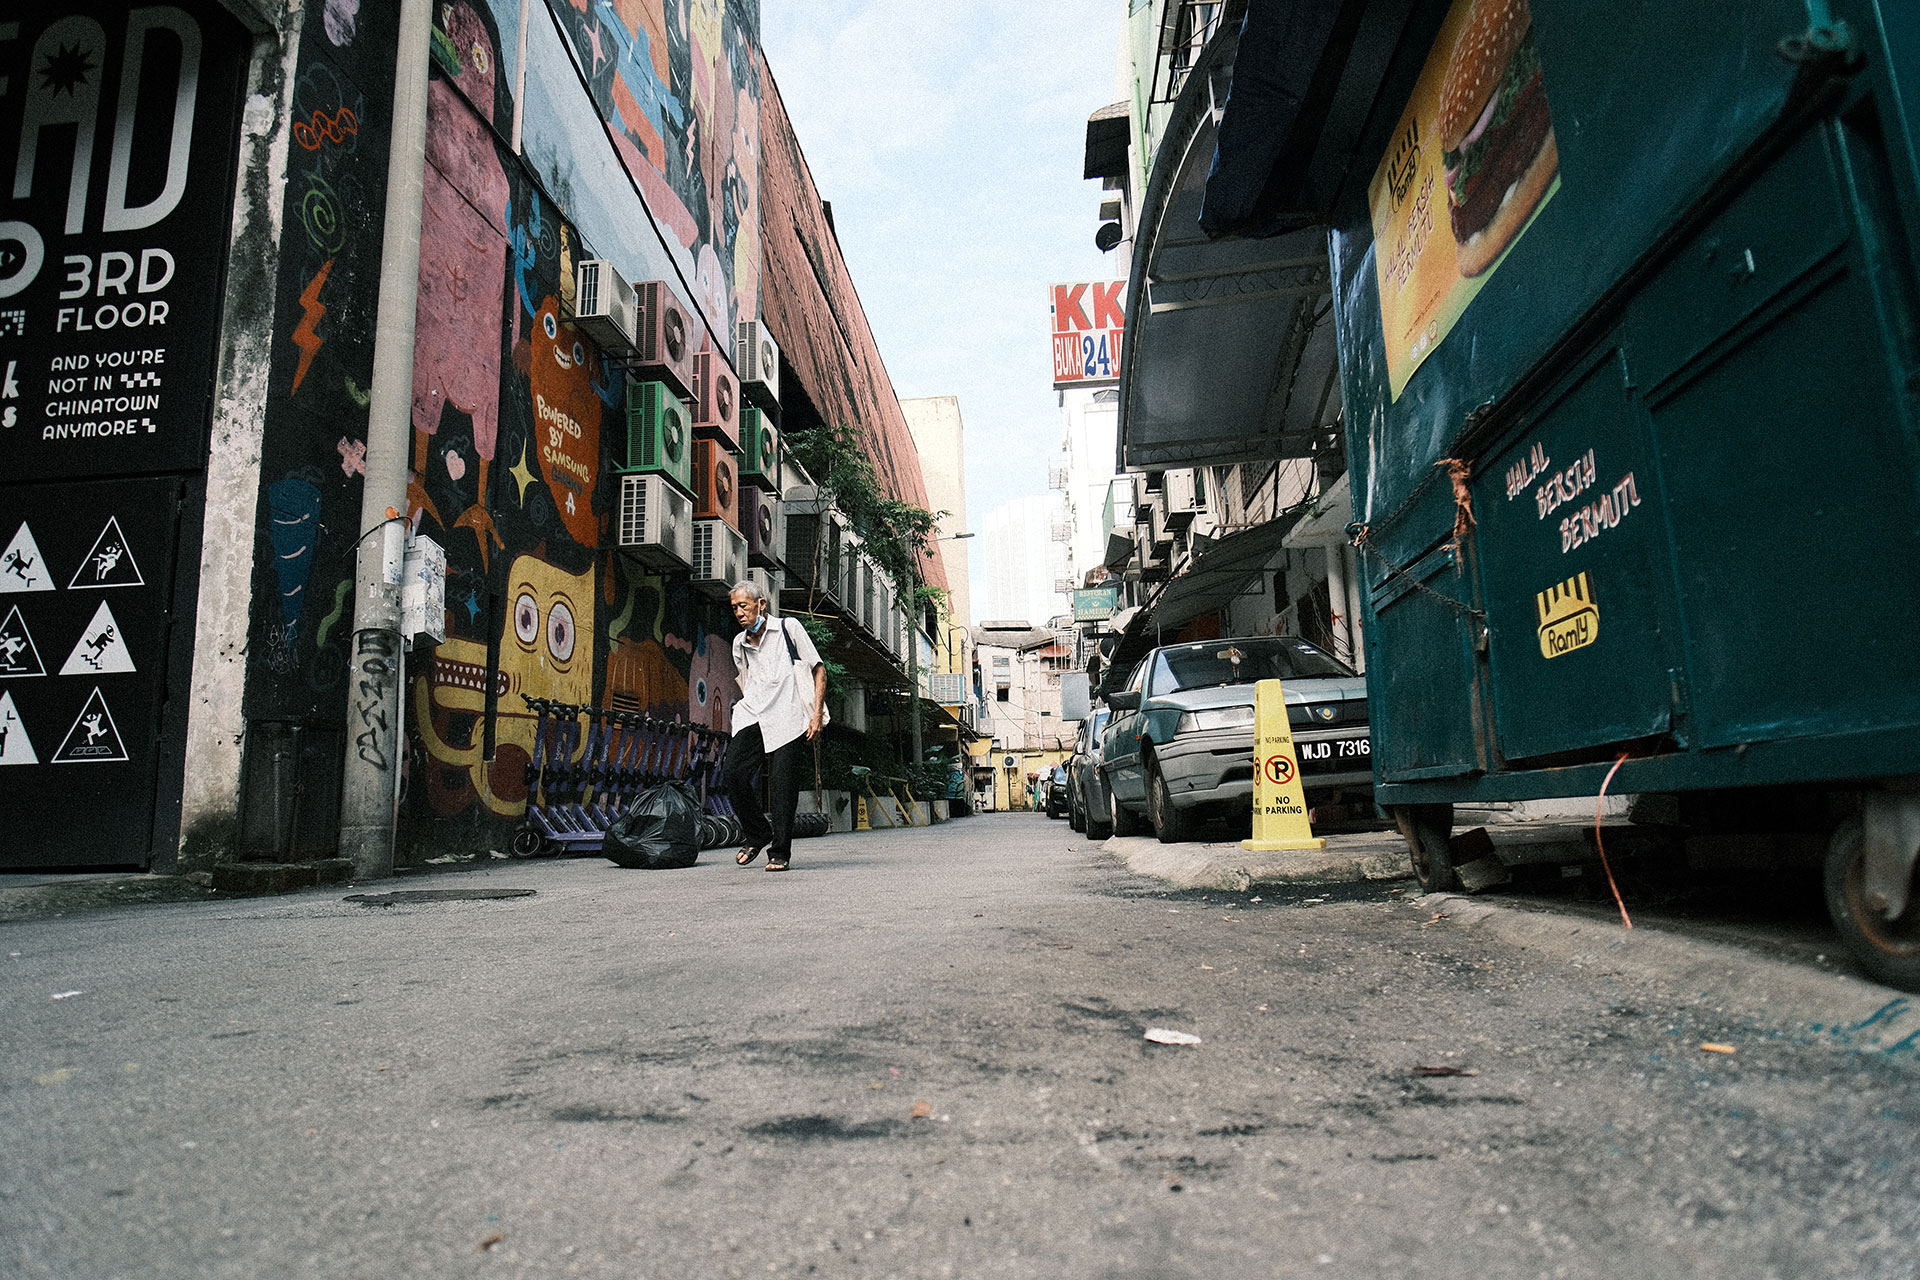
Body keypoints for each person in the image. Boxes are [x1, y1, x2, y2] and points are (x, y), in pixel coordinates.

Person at [724, 581, 825, 872]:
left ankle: (779, 851)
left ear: (761, 604)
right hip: (753, 715)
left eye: (744, 605)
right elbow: (746, 680)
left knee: (783, 786)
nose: (739, 612)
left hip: (788, 716)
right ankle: (758, 832)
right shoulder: (738, 644)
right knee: (734, 772)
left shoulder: (788, 628)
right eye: (734, 608)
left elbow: (819, 669)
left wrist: (816, 714)